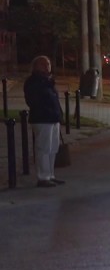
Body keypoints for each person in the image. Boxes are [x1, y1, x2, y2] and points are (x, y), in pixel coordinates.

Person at [24, 55, 65, 188]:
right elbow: (34, 100)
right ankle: (43, 177)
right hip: (42, 119)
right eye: (43, 64)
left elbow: (53, 99)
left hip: (52, 118)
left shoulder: (48, 80)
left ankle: (50, 174)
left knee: (53, 148)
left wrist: (59, 114)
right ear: (36, 66)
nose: (47, 66)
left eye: (48, 64)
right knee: (43, 148)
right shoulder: (34, 81)